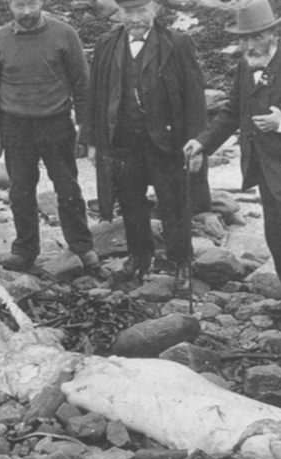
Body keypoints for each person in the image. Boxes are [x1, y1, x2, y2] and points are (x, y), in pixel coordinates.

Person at [184, 0, 281, 350]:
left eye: (256, 37)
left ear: (272, 33)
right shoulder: (244, 66)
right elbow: (231, 112)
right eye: (244, 39)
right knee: (279, 246)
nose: (249, 45)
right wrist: (203, 143)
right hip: (266, 176)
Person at [79, 0, 207, 282]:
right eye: (129, 12)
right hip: (123, 141)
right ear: (119, 13)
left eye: (141, 11)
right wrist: (91, 141)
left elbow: (195, 97)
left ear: (154, 10)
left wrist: (199, 143)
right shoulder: (106, 44)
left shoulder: (177, 42)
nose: (135, 19)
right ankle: (139, 256)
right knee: (129, 202)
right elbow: (95, 95)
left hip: (167, 141)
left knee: (173, 203)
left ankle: (181, 259)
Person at [0, 0, 98, 272]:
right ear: (9, 5)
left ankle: (82, 246)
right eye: (19, 5)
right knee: (21, 191)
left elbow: (82, 82)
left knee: (68, 188)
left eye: (31, 3)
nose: (26, 12)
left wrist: (85, 128)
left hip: (56, 124)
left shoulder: (65, 33)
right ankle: (24, 251)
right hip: (15, 127)